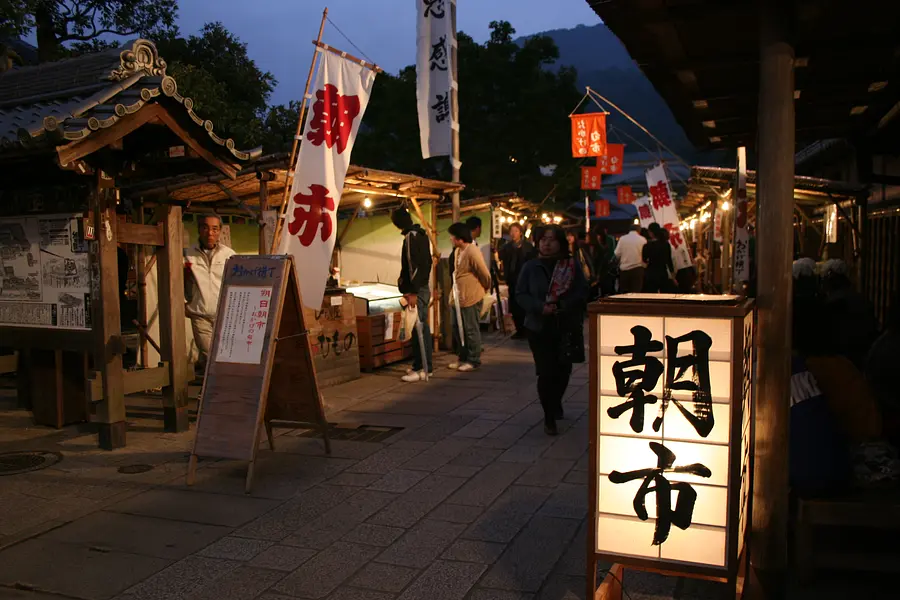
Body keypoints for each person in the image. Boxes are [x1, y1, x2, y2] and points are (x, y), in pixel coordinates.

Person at [516, 225, 589, 435]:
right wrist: (540, 307)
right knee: (546, 371)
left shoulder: (571, 264)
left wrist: (562, 306)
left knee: (563, 369)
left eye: (552, 239)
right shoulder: (530, 267)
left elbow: (582, 291)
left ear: (561, 242)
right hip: (538, 326)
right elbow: (521, 294)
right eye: (543, 239)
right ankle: (549, 416)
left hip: (565, 325)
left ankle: (556, 401)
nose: (547, 243)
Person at [184, 214, 235, 378]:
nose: (210, 232)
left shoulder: (229, 255)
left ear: (220, 231)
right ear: (199, 229)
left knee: (226, 354)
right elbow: (178, 280)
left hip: (225, 315)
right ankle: (214, 390)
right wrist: (184, 303)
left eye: (214, 228)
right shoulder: (187, 255)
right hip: (200, 315)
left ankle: (218, 389)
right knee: (208, 354)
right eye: (205, 227)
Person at [391, 208, 433, 383]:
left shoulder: (410, 237)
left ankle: (422, 367)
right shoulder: (422, 235)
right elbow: (427, 263)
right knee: (421, 328)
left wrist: (412, 291)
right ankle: (423, 366)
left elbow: (411, 265)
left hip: (417, 289)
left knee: (419, 329)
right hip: (423, 286)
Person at [449, 222, 492, 372]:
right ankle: (462, 357)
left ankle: (473, 359)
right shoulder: (457, 252)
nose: (451, 239)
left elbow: (484, 273)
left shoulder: (472, 251)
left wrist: (484, 288)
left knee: (470, 328)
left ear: (460, 238)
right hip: (457, 295)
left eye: (452, 236)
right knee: (457, 327)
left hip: (471, 295)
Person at [499, 222, 536, 339]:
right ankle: (519, 329)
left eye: (515, 231)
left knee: (524, 305)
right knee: (514, 305)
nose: (513, 233)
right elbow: (501, 259)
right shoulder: (507, 247)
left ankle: (527, 329)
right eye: (511, 231)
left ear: (520, 232)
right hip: (512, 280)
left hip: (526, 280)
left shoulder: (528, 247)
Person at [615, 224, 647, 293]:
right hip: (638, 269)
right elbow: (645, 255)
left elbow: (617, 254)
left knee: (624, 294)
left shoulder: (622, 239)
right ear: (639, 231)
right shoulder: (643, 240)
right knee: (636, 293)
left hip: (624, 271)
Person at [642, 223, 674, 293]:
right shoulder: (666, 244)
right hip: (663, 272)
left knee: (651, 295)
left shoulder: (647, 246)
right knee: (664, 295)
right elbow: (669, 261)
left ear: (650, 232)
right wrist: (673, 276)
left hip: (651, 273)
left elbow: (644, 260)